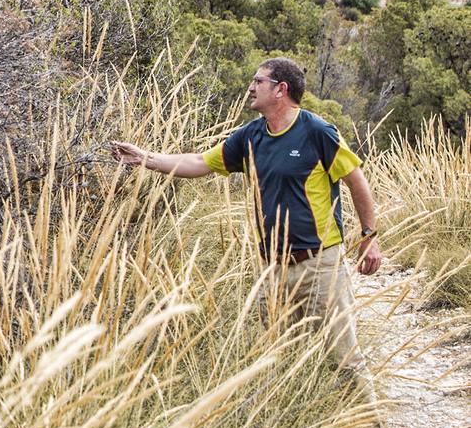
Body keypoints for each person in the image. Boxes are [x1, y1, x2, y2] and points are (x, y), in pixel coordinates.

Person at [108, 57, 382, 379]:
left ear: (281, 89)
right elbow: (199, 162)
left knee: (343, 360)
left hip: (320, 265)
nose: (251, 87)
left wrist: (369, 236)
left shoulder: (317, 131)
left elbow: (356, 179)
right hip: (273, 268)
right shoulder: (250, 136)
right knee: (280, 363)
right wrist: (147, 159)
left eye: (259, 81)